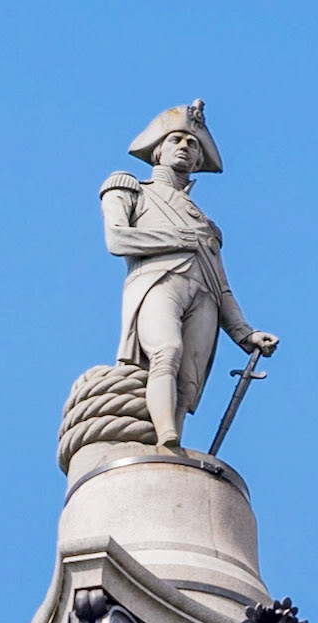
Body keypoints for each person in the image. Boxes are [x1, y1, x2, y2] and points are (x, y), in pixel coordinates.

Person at [100, 101, 278, 451]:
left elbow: (222, 287)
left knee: (188, 382)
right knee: (166, 350)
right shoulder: (130, 187)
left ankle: (173, 444)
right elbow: (117, 238)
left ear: (198, 160)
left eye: (191, 143)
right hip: (157, 281)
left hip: (205, 297)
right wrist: (179, 239)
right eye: (176, 139)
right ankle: (164, 436)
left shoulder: (207, 225)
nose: (184, 147)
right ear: (158, 150)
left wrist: (246, 334)